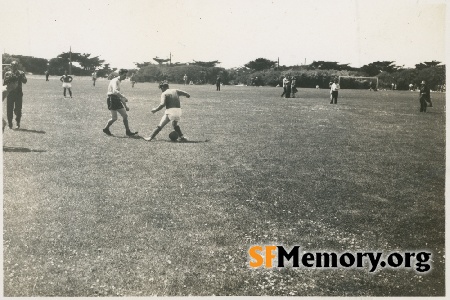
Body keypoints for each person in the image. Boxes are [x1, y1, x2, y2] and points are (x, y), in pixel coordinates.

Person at [102, 69, 138, 137]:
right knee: (114, 118)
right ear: (120, 74)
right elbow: (115, 91)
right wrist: (123, 97)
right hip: (111, 99)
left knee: (125, 115)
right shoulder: (115, 80)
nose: (125, 76)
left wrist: (125, 106)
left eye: (126, 75)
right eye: (124, 75)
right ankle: (106, 128)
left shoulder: (119, 81)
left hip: (116, 99)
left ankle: (128, 131)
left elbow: (118, 95)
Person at [3, 61, 27, 129]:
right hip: (10, 93)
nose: (14, 67)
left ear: (17, 66)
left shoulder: (21, 73)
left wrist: (20, 77)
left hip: (18, 94)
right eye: (13, 65)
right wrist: (9, 79)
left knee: (18, 109)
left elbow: (25, 81)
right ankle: (10, 123)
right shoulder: (7, 73)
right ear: (11, 66)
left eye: (15, 65)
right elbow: (4, 83)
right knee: (9, 109)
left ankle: (18, 123)